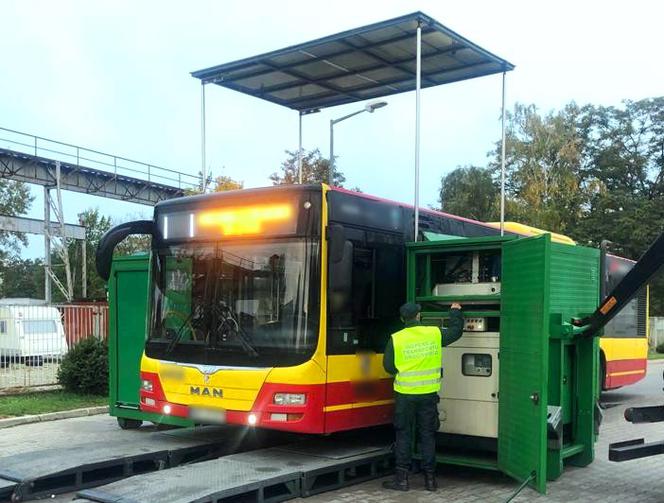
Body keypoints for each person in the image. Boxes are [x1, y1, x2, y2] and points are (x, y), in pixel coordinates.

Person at [382, 301, 464, 492]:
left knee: (403, 434)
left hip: (404, 395)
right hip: (428, 395)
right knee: (427, 435)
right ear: (419, 316)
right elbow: (456, 331)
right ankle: (430, 481)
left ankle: (402, 480)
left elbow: (388, 367)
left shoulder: (396, 338)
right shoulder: (433, 333)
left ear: (403, 319)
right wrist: (455, 312)